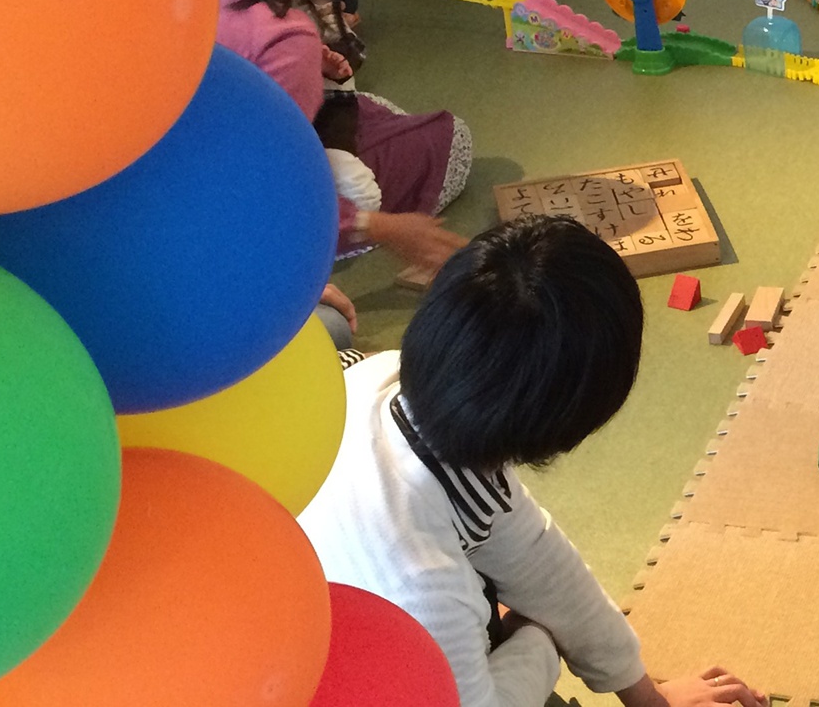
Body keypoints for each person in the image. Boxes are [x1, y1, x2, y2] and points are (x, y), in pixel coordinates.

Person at [299, 215, 765, 707]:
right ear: (567, 425)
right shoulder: (424, 583)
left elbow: (536, 554)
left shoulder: (389, 378)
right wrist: (538, 637)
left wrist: (648, 697)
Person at [212, 0, 469, 278]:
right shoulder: (286, 37)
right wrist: (385, 228)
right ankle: (334, 240)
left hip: (194, 178)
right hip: (246, 213)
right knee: (452, 138)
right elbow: (275, 185)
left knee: (373, 108)